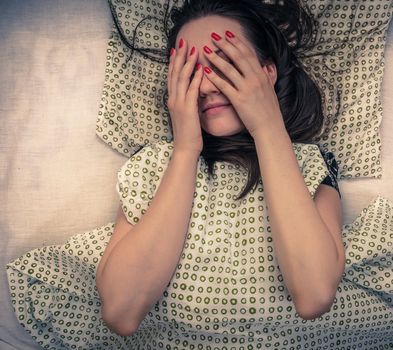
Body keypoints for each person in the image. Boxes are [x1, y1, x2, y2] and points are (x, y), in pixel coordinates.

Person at [6, 0, 392, 349]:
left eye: (225, 64)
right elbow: (121, 312)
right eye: (188, 71)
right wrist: (185, 148)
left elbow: (314, 294)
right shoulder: (154, 166)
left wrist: (267, 124)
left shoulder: (310, 165)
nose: (205, 85)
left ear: (266, 73)